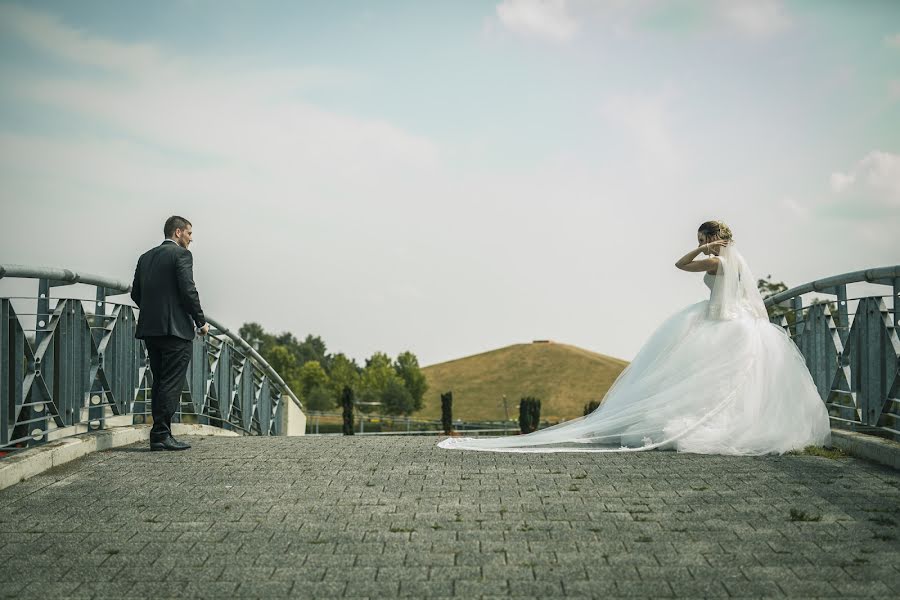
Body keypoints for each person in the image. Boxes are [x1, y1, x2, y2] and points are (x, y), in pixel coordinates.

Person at [438, 220, 831, 455]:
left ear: (712, 238)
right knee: (727, 380)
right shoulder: (735, 259)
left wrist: (703, 248)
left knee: (713, 376)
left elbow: (680, 264)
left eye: (702, 236)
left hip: (723, 322)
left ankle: (715, 424)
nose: (698, 242)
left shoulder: (717, 259)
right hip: (741, 322)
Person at [131, 216, 209, 451]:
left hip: (151, 330)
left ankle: (159, 435)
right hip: (175, 331)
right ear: (178, 232)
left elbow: (136, 293)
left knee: (160, 382)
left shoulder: (145, 257)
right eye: (189, 233)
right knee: (171, 383)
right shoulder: (182, 255)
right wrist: (201, 321)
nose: (191, 238)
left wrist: (154, 311)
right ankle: (161, 435)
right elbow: (188, 290)